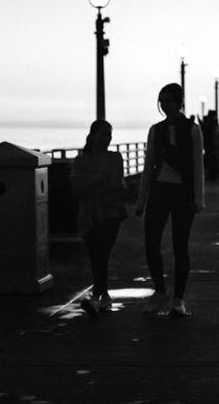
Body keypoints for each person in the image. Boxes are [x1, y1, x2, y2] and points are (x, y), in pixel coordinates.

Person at [136, 83, 205, 318]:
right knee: (151, 240)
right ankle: (160, 291)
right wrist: (141, 200)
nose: (165, 105)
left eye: (169, 100)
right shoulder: (156, 130)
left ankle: (179, 299)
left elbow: (198, 166)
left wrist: (199, 198)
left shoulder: (193, 130)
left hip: (183, 193)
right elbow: (148, 167)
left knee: (180, 245)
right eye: (162, 101)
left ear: (180, 102)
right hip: (159, 190)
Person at [70, 119, 128, 318]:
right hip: (88, 214)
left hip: (110, 212)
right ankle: (103, 295)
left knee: (101, 253)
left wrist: (92, 182)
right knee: (95, 255)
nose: (107, 138)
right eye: (103, 133)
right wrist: (98, 181)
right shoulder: (81, 160)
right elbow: (77, 188)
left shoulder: (115, 158)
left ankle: (97, 295)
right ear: (93, 135)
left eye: (109, 134)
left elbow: (116, 183)